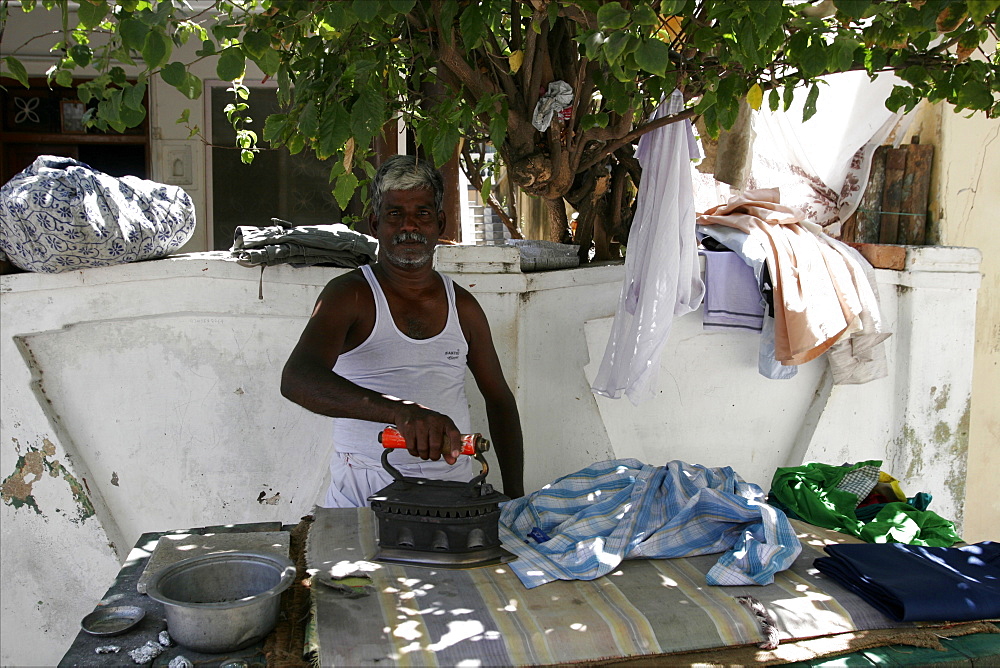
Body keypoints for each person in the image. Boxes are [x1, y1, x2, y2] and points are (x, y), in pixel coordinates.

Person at [281, 155, 525, 507]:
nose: (409, 226)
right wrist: (400, 413)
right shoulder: (349, 295)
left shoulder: (464, 307)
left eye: (422, 214)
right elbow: (297, 379)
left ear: (439, 223)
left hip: (453, 488)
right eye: (395, 214)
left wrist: (516, 499)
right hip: (365, 488)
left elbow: (499, 400)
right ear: (375, 222)